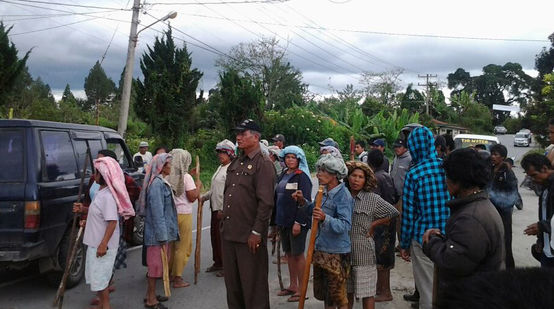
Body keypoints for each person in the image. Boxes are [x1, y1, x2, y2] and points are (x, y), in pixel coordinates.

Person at [422, 148, 505, 308]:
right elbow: (465, 249)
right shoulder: (478, 206)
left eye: (448, 177)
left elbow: (453, 262)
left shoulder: (471, 217)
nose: (445, 181)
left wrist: (431, 242)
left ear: (458, 180)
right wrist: (443, 239)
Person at [221, 119, 275, 309]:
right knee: (233, 287)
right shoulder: (237, 161)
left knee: (253, 288)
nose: (238, 137)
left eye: (243, 134)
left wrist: (257, 232)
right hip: (230, 234)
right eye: (238, 133)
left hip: (248, 237)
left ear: (256, 137)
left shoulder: (263, 164)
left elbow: (266, 202)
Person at [292, 154, 353, 309]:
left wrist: (326, 218)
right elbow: (314, 211)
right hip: (321, 249)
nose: (318, 174)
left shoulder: (343, 195)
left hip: (336, 253)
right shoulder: (323, 191)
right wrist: (303, 202)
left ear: (334, 175)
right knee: (325, 294)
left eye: (322, 171)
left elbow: (345, 226)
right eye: (318, 171)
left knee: (338, 296)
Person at [400, 126, 450, 309]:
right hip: (450, 236)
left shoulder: (413, 173)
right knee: (446, 286)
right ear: (431, 143)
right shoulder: (447, 167)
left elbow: (408, 214)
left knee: (427, 289)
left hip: (423, 239)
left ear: (412, 147)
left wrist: (404, 244)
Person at [80, 156, 135, 309]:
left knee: (101, 281)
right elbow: (98, 215)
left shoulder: (108, 197)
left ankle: (105, 306)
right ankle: (102, 306)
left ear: (102, 176)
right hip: (95, 243)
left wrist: (103, 244)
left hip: (102, 246)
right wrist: (84, 211)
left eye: (96, 173)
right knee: (98, 280)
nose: (94, 175)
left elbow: (112, 222)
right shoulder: (100, 192)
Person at [345, 161, 398, 309]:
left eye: (360, 177)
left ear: (366, 179)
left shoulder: (372, 198)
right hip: (344, 251)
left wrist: (374, 225)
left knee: (367, 293)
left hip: (364, 253)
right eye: (353, 176)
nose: (356, 180)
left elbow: (393, 212)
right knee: (347, 292)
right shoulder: (343, 196)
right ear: (348, 177)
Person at [138, 153, 179, 309]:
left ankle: (151, 294)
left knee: (158, 267)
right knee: (155, 268)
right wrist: (162, 237)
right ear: (162, 166)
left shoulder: (161, 182)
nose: (171, 166)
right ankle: (151, 300)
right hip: (157, 236)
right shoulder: (156, 185)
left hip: (160, 234)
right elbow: (157, 213)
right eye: (169, 164)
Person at [274, 146, 313, 302]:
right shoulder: (284, 174)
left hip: (296, 222)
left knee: (298, 254)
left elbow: (305, 202)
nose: (290, 160)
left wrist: (299, 222)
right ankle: (293, 286)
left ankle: (302, 289)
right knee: (289, 254)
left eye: (293, 157)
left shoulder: (302, 177)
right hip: (283, 221)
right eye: (287, 157)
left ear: (299, 160)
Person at [167, 149, 202, 288]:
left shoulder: (167, 175)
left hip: (171, 213)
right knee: (182, 247)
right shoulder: (185, 178)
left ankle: (169, 273)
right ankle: (177, 277)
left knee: (171, 245)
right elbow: (192, 196)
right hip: (183, 214)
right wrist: (198, 186)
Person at [200, 140, 236, 277]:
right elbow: (216, 189)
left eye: (223, 152)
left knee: (223, 240)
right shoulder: (220, 167)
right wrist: (205, 197)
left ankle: (227, 266)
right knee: (215, 238)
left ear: (230, 154)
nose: (220, 155)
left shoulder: (231, 169)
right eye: (219, 152)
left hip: (224, 211)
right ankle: (218, 262)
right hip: (215, 209)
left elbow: (229, 192)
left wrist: (223, 209)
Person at [366, 150, 398, 303]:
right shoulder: (386, 175)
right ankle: (381, 289)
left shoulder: (375, 178)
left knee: (382, 258)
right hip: (389, 221)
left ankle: (385, 291)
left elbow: (374, 203)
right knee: (384, 256)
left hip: (382, 222)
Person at [390, 138, 416, 303]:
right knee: (397, 221)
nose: (396, 149)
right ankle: (401, 245)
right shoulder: (396, 158)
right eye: (395, 147)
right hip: (394, 195)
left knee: (402, 221)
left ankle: (404, 246)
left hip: (403, 196)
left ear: (405, 148)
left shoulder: (409, 160)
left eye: (399, 147)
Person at [487, 144, 518, 269]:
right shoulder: (489, 169)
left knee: (505, 244)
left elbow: (512, 196)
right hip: (490, 212)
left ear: (503, 157)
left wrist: (494, 197)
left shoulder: (508, 174)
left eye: (496, 155)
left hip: (503, 213)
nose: (492, 157)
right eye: (492, 154)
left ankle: (509, 272)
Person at [521, 153, 554, 267]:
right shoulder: (546, 186)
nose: (533, 180)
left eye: (534, 175)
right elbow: (545, 215)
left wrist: (541, 226)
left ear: (545, 168)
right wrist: (541, 239)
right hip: (547, 250)